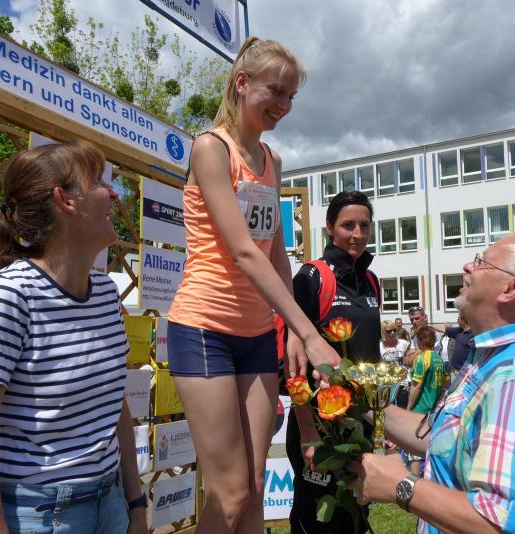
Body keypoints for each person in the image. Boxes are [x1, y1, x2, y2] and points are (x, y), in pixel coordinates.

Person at [166, 37, 340, 533]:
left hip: (258, 335)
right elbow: (243, 251)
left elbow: (276, 253)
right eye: (276, 92)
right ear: (242, 84)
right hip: (205, 329)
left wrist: (289, 330)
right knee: (230, 492)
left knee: (257, 485)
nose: (284, 106)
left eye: (291, 97)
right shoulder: (210, 148)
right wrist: (307, 332)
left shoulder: (271, 160)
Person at [0, 141, 147, 533]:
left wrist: (135, 503)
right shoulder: (7, 297)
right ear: (65, 200)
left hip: (111, 503)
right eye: (100, 182)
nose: (114, 195)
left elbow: (113, 407)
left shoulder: (105, 294)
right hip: (40, 515)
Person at [347, 235, 515, 533]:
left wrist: (400, 485)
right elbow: (447, 441)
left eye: (481, 262)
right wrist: (351, 395)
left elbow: (505, 525)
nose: (468, 266)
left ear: (512, 288)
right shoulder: (498, 358)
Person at [285, 190, 381, 534]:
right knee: (317, 518)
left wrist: (380, 425)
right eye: (348, 225)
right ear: (329, 228)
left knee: (356, 514)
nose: (357, 234)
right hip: (320, 425)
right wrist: (309, 434)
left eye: (364, 226)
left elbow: (371, 358)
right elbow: (294, 366)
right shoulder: (311, 277)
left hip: (361, 422)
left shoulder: (371, 281)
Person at [406, 326, 446, 414]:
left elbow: (417, 386)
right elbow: (444, 383)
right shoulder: (439, 359)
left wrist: (408, 408)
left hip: (420, 407)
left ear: (419, 341)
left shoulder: (421, 359)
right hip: (434, 408)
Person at [380, 319, 411, 407]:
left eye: (394, 330)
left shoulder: (404, 343)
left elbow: (412, 360)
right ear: (383, 332)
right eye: (389, 331)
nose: (392, 333)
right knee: (389, 408)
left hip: (403, 382)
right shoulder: (379, 346)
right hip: (388, 383)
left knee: (403, 408)